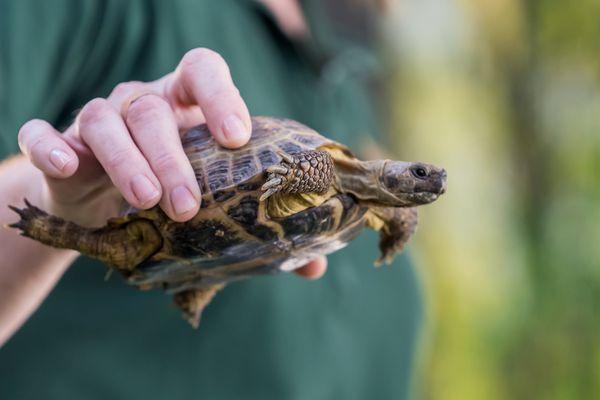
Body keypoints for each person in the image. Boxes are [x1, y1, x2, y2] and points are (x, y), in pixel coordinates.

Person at [0, 1, 423, 399]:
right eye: (418, 174)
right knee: (117, 241)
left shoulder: (350, 51)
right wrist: (53, 196)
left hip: (229, 256)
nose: (426, 183)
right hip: (193, 205)